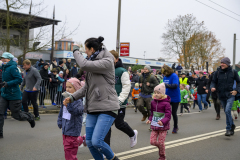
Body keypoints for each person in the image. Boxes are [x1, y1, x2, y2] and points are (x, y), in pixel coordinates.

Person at [63, 36, 120, 160]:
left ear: (92, 49)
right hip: (93, 107)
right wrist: (72, 97)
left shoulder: (106, 61)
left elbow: (83, 64)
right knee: (89, 142)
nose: (84, 53)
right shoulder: (92, 63)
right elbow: (86, 87)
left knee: (97, 141)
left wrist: (75, 51)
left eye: (85, 50)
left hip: (107, 107)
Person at [104, 50, 138, 148]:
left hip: (119, 103)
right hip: (107, 102)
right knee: (106, 125)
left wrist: (120, 100)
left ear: (116, 59)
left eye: (112, 58)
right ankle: (106, 148)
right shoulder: (106, 70)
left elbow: (127, 87)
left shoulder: (122, 71)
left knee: (119, 124)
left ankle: (132, 134)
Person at [0, 52, 35, 139]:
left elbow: (19, 79)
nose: (1, 58)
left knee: (16, 115)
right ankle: (0, 133)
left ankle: (30, 117)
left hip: (13, 94)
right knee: (0, 113)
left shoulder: (12, 67)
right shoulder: (4, 67)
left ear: (7, 58)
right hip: (4, 94)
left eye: (2, 57)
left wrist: (7, 84)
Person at [57, 78, 86, 160]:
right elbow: (61, 112)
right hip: (65, 129)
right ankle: (83, 139)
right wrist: (59, 121)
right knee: (67, 149)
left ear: (76, 89)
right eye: (67, 87)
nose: (67, 89)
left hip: (73, 130)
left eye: (70, 87)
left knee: (70, 150)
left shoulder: (78, 100)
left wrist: (68, 104)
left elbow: (77, 112)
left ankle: (82, 139)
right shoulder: (65, 99)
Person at [211, 57, 240, 136]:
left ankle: (228, 128)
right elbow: (213, 82)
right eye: (221, 63)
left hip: (230, 94)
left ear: (227, 64)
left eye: (223, 63)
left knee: (227, 110)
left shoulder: (233, 72)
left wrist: (236, 91)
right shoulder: (217, 72)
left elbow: (239, 82)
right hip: (221, 95)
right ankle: (232, 125)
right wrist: (212, 87)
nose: (222, 64)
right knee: (226, 111)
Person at [146, 83, 171, 160]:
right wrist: (150, 119)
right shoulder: (153, 102)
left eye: (158, 93)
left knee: (160, 142)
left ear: (163, 94)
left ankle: (162, 156)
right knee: (152, 142)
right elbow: (152, 113)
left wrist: (162, 121)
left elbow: (168, 115)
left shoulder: (166, 103)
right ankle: (161, 145)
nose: (156, 94)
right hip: (154, 125)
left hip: (163, 126)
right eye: (155, 92)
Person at [161, 65, 181, 134]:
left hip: (175, 97)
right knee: (166, 113)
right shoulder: (165, 77)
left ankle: (175, 127)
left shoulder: (174, 75)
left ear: (168, 71)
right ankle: (165, 127)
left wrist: (165, 85)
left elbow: (175, 85)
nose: (164, 74)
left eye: (165, 72)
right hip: (167, 97)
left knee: (173, 113)